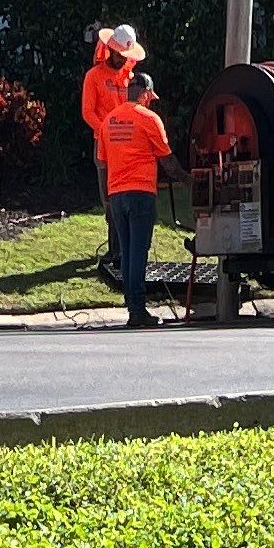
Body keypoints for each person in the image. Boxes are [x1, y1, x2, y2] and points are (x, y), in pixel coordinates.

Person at [101, 63, 171, 326]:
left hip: (117, 196)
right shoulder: (149, 119)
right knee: (138, 253)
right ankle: (138, 310)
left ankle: (133, 307)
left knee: (127, 252)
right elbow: (167, 159)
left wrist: (106, 200)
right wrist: (188, 180)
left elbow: (102, 163)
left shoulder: (109, 121)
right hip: (140, 193)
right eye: (150, 98)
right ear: (146, 93)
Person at [80, 20, 142, 282]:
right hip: (105, 145)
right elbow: (88, 112)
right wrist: (106, 130)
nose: (122, 58)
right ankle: (115, 249)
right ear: (111, 50)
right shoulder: (94, 76)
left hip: (127, 147)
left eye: (126, 54)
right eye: (119, 53)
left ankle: (121, 249)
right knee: (109, 198)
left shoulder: (130, 77)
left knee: (126, 196)